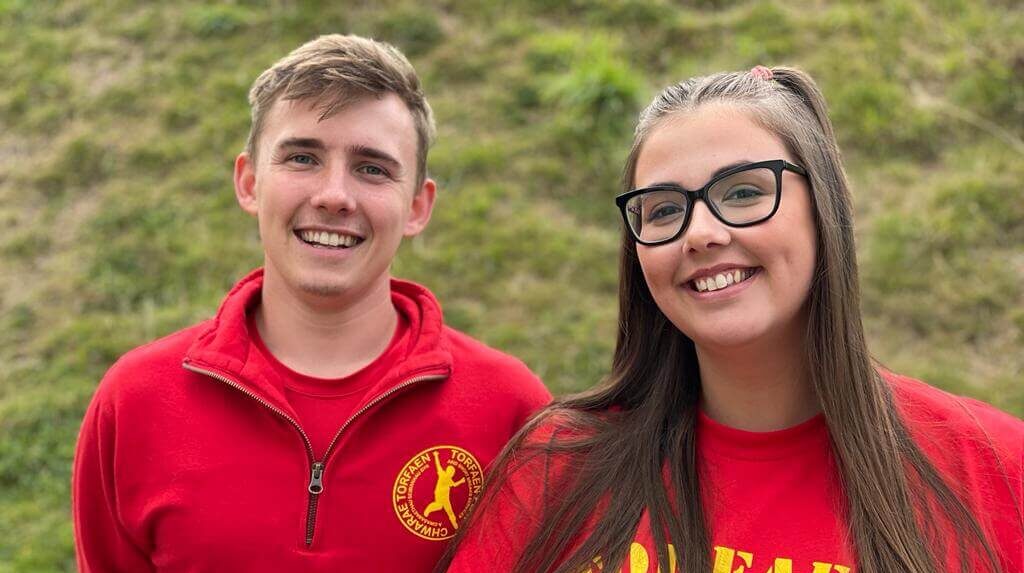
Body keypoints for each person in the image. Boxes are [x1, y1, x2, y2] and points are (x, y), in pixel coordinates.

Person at [441, 66, 1023, 573]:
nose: (702, 234)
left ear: (823, 209)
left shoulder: (994, 467)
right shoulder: (556, 466)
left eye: (743, 192)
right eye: (664, 209)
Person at [72, 34, 551, 572]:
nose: (334, 195)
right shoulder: (136, 401)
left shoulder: (512, 411)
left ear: (418, 206)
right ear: (249, 182)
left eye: (372, 168)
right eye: (302, 157)